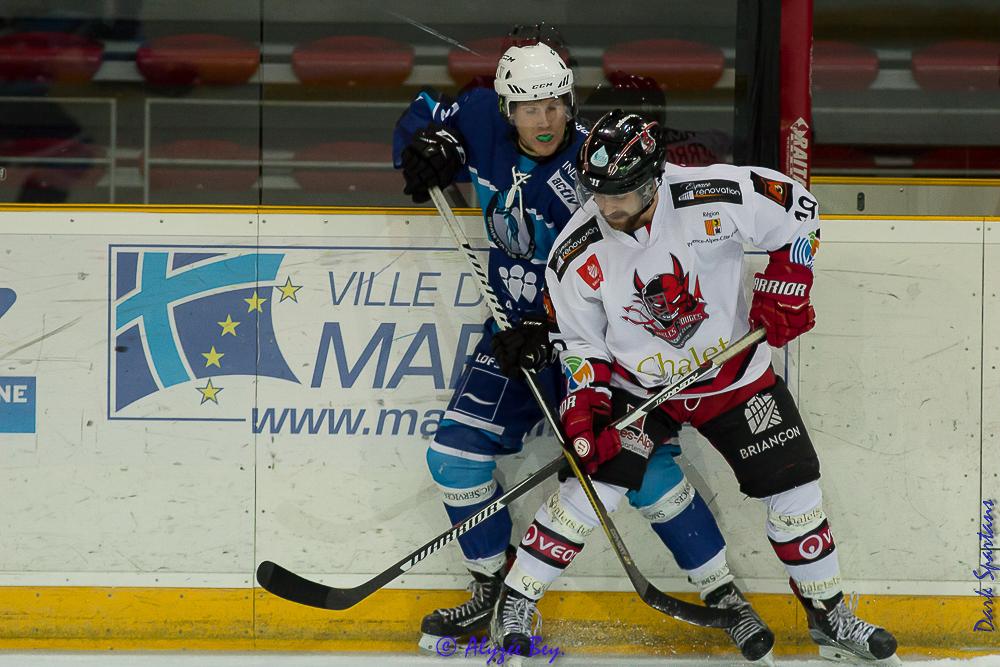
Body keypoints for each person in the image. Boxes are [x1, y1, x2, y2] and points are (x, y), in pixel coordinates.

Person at [393, 38, 773, 662]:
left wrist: (550, 333)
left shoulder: (594, 171)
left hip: (593, 342)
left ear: (570, 102)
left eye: (555, 106)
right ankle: (491, 583)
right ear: (508, 108)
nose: (544, 121)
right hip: (511, 336)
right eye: (529, 109)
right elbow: (417, 122)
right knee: (453, 458)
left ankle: (722, 590)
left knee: (644, 472)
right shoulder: (481, 115)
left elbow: (619, 278)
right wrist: (428, 149)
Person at [495, 108, 900, 665]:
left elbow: (799, 210)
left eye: (620, 195)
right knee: (591, 490)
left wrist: (789, 282)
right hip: (641, 388)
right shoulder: (574, 251)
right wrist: (586, 409)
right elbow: (582, 345)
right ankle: (517, 599)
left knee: (796, 491)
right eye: (598, 194)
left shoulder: (712, 193)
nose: (607, 208)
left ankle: (829, 617)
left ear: (652, 180)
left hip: (733, 376)